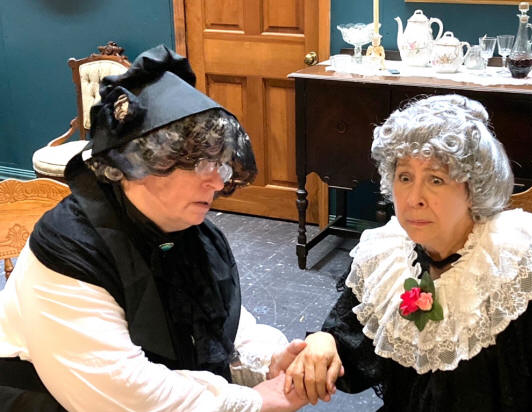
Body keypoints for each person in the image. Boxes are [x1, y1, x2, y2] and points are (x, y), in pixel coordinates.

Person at [0, 45, 309, 412]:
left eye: (219, 164)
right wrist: (251, 401)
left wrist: (270, 360)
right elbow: (120, 392)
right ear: (136, 164)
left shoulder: (190, 233)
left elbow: (224, 327)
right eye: (198, 164)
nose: (217, 182)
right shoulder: (70, 251)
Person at [285, 94, 532, 411]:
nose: (413, 199)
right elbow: (353, 344)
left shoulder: (519, 270)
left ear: (475, 187)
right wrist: (323, 341)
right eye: (405, 177)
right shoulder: (388, 257)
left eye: (436, 179)